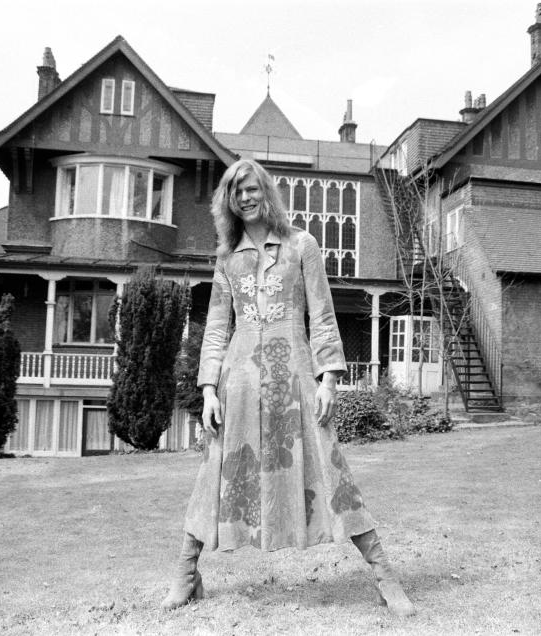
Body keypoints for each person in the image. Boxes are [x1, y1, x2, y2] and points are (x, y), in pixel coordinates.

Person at [160, 159, 415, 617]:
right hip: (238, 382)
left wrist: (329, 379)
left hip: (294, 377)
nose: (245, 198)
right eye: (236, 192)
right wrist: (208, 389)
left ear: (267, 193)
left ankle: (384, 574)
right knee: (214, 469)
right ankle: (186, 573)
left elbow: (321, 315)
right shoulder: (226, 258)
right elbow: (218, 325)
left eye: (253, 189)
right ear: (228, 201)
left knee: (331, 468)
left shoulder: (303, 246)